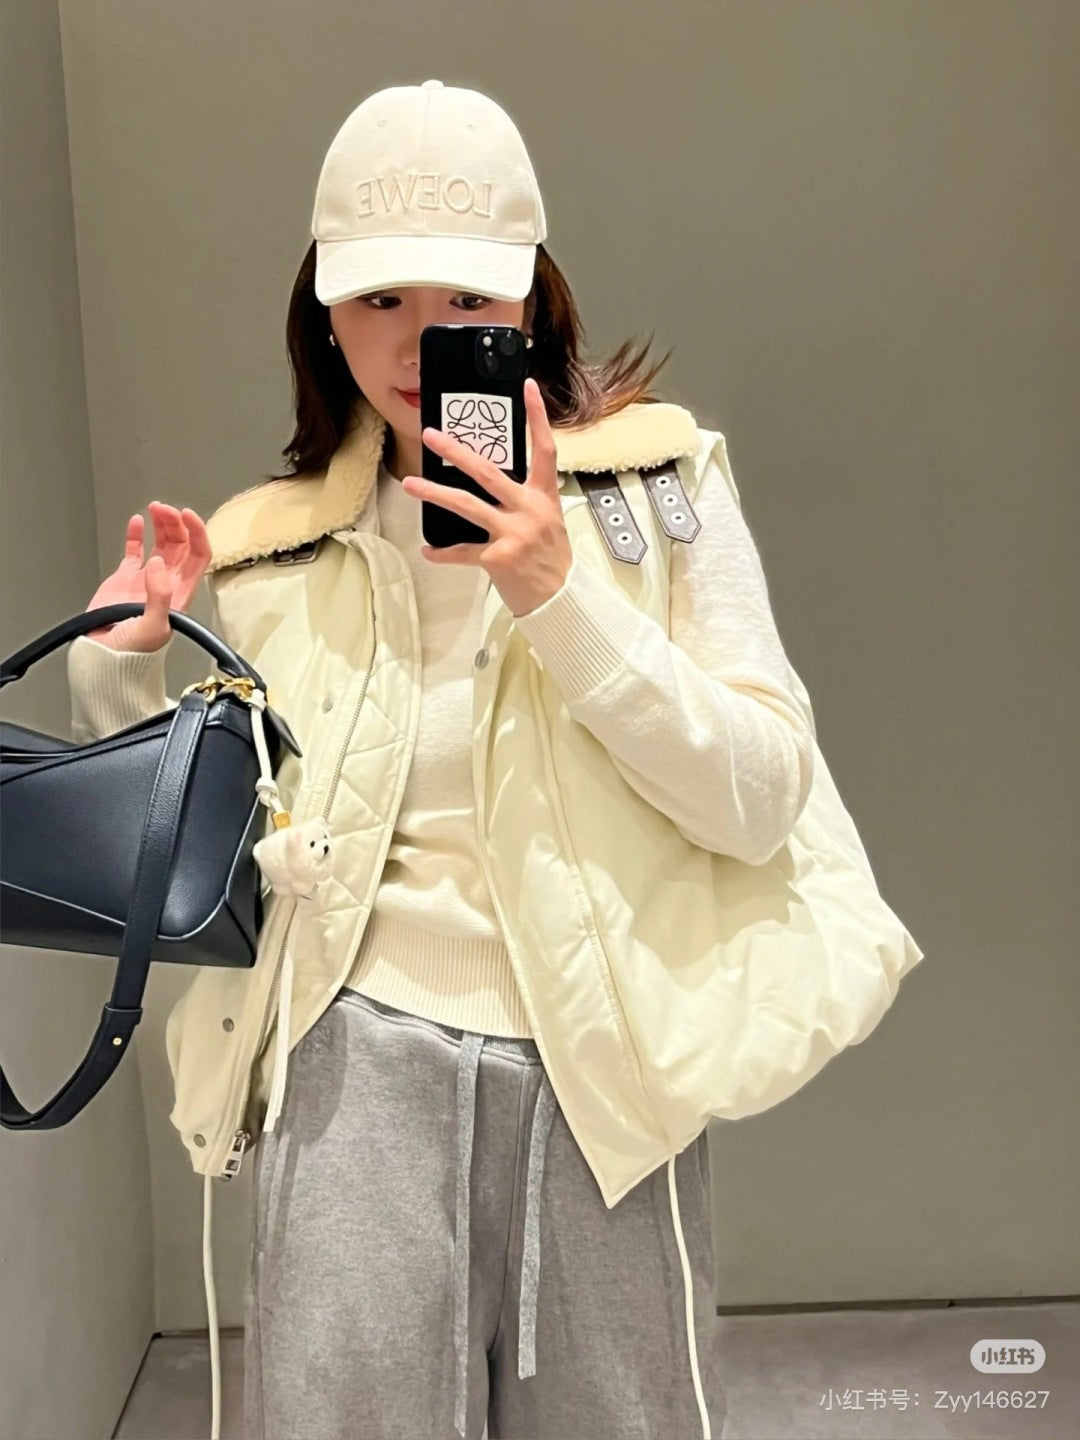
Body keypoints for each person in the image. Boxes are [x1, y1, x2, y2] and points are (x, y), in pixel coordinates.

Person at [70, 79, 819, 1440]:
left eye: (466, 299)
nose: (422, 339)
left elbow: (762, 797)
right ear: (323, 311)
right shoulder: (274, 545)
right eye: (381, 298)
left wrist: (558, 594)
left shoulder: (661, 493)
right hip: (349, 1070)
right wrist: (124, 659)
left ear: (531, 297)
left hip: (600, 1075)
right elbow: (176, 840)